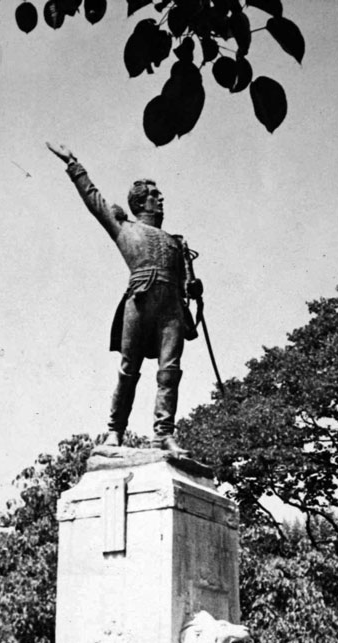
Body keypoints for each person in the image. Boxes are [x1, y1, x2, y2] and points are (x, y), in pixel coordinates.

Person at [46, 142, 202, 456]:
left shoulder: (176, 242)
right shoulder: (124, 228)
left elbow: (187, 283)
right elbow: (94, 201)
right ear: (141, 202)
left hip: (172, 308)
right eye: (155, 196)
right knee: (128, 369)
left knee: (170, 372)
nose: (161, 200)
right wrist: (74, 164)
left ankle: (164, 435)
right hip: (140, 301)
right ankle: (115, 431)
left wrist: (193, 287)